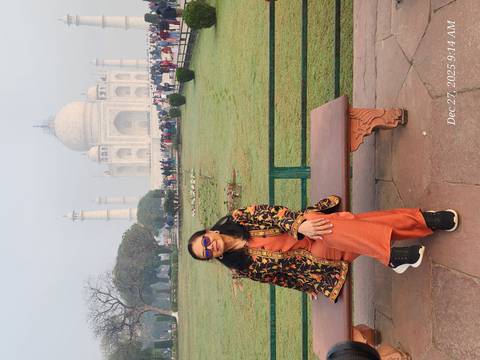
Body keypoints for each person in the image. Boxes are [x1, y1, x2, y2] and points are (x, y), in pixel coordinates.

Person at [188, 196, 459, 302]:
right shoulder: (241, 267)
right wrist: (307, 286)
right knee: (356, 228)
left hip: (309, 228)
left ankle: (390, 256)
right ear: (215, 257)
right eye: (208, 253)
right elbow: (279, 279)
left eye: (206, 242)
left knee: (330, 228)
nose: (211, 247)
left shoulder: (240, 217)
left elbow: (272, 213)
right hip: (314, 257)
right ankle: (425, 220)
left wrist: (299, 226)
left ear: (209, 231)